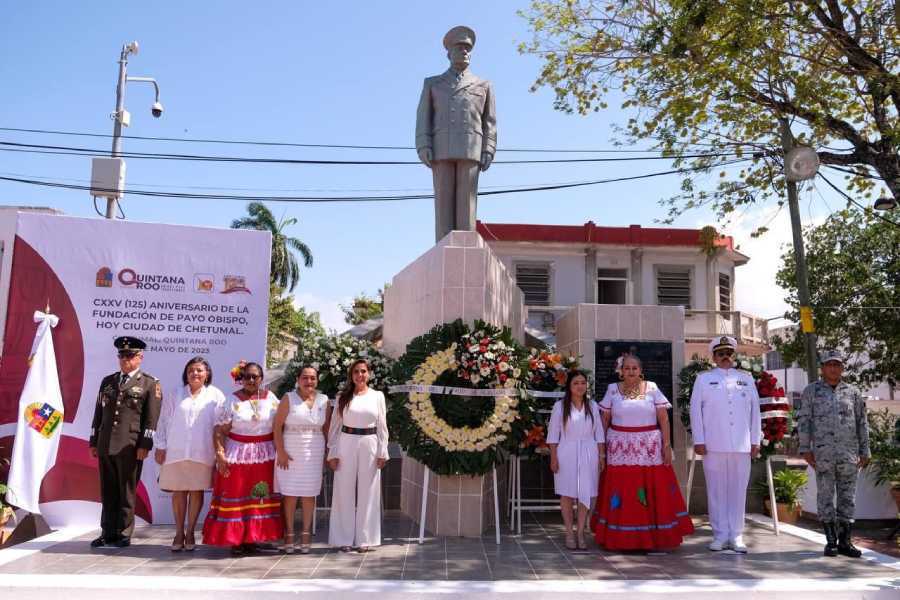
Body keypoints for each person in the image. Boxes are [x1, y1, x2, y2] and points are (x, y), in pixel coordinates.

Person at [592, 354, 693, 551]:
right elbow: (604, 421)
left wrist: (666, 446)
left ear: (641, 370)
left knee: (649, 490)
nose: (630, 372)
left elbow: (663, 419)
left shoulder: (652, 388)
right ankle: (620, 536)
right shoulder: (613, 389)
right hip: (620, 447)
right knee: (623, 489)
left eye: (634, 368)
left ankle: (653, 536)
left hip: (649, 447)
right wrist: (601, 451)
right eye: (627, 368)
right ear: (621, 371)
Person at [415, 25, 497, 242]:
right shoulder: (433, 84)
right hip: (441, 147)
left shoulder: (483, 84)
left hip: (471, 148)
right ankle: (443, 245)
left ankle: (465, 246)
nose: (464, 52)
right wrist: (424, 145)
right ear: (448, 53)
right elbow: (424, 117)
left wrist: (489, 148)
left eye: (467, 48)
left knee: (467, 203)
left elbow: (489, 121)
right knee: (443, 201)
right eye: (459, 48)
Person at [202, 362, 283, 554]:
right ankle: (237, 540)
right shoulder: (231, 401)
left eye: (255, 376)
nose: (251, 380)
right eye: (247, 376)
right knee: (238, 496)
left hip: (265, 455)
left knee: (260, 497)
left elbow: (280, 426)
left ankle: (255, 537)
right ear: (241, 378)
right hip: (238, 456)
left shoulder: (271, 398)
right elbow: (219, 430)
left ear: (262, 379)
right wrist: (220, 454)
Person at [89, 336, 162, 548]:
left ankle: (123, 532)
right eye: (121, 355)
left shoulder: (150, 383)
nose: (125, 359)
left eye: (129, 355)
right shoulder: (108, 381)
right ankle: (107, 532)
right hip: (105, 443)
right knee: (108, 490)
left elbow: (151, 418)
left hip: (130, 445)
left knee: (127, 490)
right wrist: (94, 440)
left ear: (140, 357)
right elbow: (98, 413)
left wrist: (145, 445)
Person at [689, 336, 760, 553]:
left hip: (741, 445)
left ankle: (737, 535)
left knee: (738, 491)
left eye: (729, 353)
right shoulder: (703, 379)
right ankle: (719, 535)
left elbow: (755, 412)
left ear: (734, 355)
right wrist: (699, 440)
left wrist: (755, 440)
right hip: (713, 444)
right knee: (717, 491)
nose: (725, 357)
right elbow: (695, 411)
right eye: (721, 354)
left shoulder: (746, 379)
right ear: (714, 357)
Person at [798, 350, 870, 558]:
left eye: (837, 365)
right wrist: (805, 449)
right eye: (829, 365)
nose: (833, 368)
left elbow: (862, 423)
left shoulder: (853, 392)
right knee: (825, 497)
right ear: (822, 368)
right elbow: (804, 421)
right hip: (823, 454)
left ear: (842, 368)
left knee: (848, 498)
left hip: (848, 455)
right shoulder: (811, 391)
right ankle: (830, 542)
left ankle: (845, 542)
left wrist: (865, 450)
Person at [153, 357, 225, 551]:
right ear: (186, 373)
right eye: (191, 370)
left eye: (199, 370)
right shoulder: (175, 394)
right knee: (178, 491)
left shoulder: (216, 395)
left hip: (202, 452)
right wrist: (160, 445)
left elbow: (221, 425)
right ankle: (178, 532)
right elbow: (163, 421)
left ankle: (191, 531)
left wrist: (220, 451)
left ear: (207, 374)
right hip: (175, 451)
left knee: (196, 491)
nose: (195, 373)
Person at [327, 358, 389, 553]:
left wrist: (382, 451)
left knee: (368, 491)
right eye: (356, 372)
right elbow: (335, 427)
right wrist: (332, 452)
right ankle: (343, 539)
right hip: (346, 441)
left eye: (363, 371)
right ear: (351, 375)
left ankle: (365, 539)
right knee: (343, 489)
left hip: (370, 443)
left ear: (369, 373)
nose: (360, 375)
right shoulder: (342, 397)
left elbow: (382, 426)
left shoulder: (377, 396)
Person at [273, 365, 330, 554]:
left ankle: (305, 534)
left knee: (309, 493)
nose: (309, 381)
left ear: (317, 380)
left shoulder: (324, 400)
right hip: (290, 450)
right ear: (298, 379)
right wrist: (280, 451)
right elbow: (277, 426)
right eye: (305, 378)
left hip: (314, 450)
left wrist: (328, 454)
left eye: (313, 378)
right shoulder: (288, 398)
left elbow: (326, 429)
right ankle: (289, 534)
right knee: (290, 494)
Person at [548, 370, 605, 551]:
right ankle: (569, 532)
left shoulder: (593, 406)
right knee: (567, 493)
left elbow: (599, 433)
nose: (580, 386)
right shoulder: (560, 407)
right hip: (567, 451)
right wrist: (554, 457)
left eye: (582, 382)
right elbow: (553, 434)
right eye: (576, 383)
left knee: (585, 493)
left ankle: (580, 532)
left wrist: (601, 456)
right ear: (569, 387)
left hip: (589, 451)